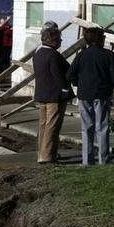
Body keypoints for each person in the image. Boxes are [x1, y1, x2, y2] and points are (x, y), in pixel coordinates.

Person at [67, 27, 114, 165]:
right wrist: (109, 87)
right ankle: (104, 159)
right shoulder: (107, 55)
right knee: (102, 127)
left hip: (84, 94)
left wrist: (79, 84)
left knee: (86, 127)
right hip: (102, 94)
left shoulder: (81, 55)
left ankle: (87, 160)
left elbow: (69, 75)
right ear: (101, 39)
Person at [33, 24, 73, 164]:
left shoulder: (38, 53)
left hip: (41, 93)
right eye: (59, 39)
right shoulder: (53, 55)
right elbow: (57, 74)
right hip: (54, 96)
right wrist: (66, 89)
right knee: (52, 126)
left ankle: (41, 153)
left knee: (43, 125)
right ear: (52, 41)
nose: (61, 41)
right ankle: (48, 155)